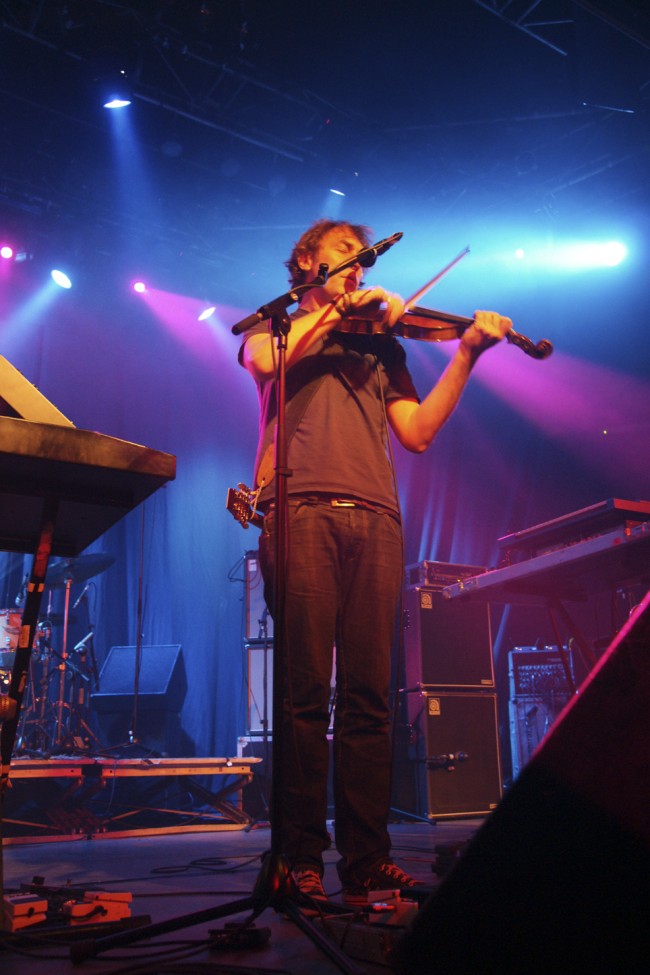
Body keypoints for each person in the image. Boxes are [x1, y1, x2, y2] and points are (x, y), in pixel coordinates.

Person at [239, 218, 511, 907]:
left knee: (369, 697)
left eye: (363, 262)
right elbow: (264, 365)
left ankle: (366, 858)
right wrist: (336, 311)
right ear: (308, 259)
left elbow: (416, 433)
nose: (359, 268)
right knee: (304, 694)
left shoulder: (381, 344)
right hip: (301, 511)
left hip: (378, 518)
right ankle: (299, 857)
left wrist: (466, 354)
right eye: (345, 254)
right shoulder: (276, 328)